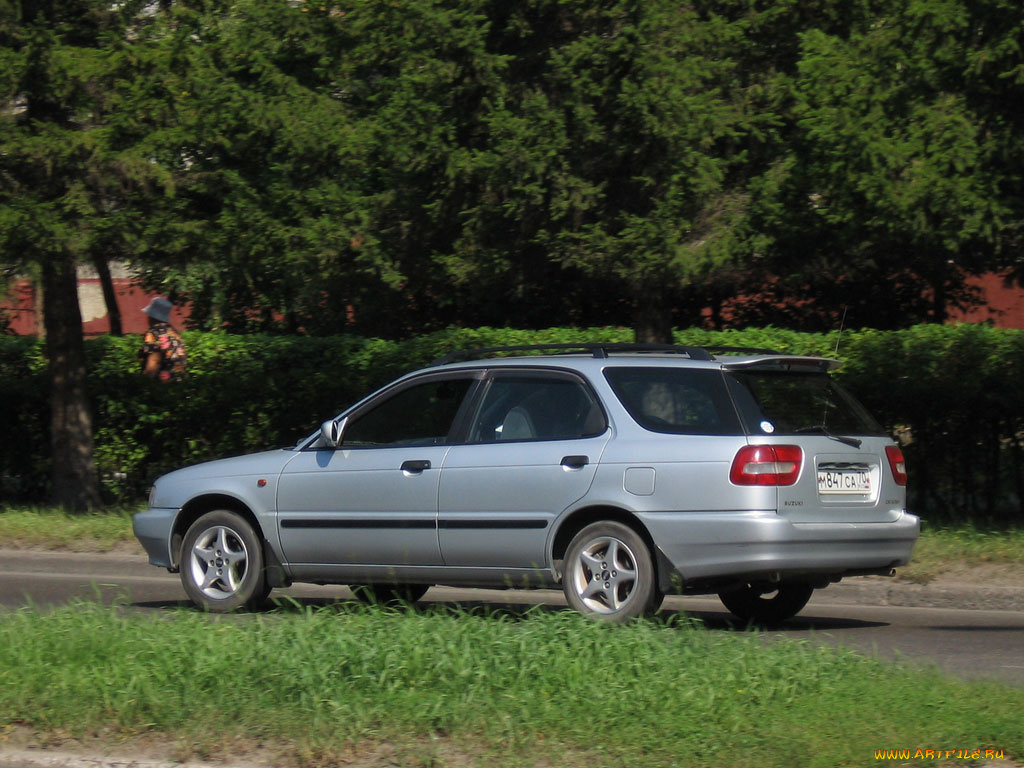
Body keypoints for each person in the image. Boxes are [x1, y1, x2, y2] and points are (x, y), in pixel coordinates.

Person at [138, 296, 187, 382]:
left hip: (162, 385)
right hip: (179, 383)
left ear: (152, 317)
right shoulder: (175, 333)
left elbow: (154, 361)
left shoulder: (153, 333)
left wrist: (144, 385)